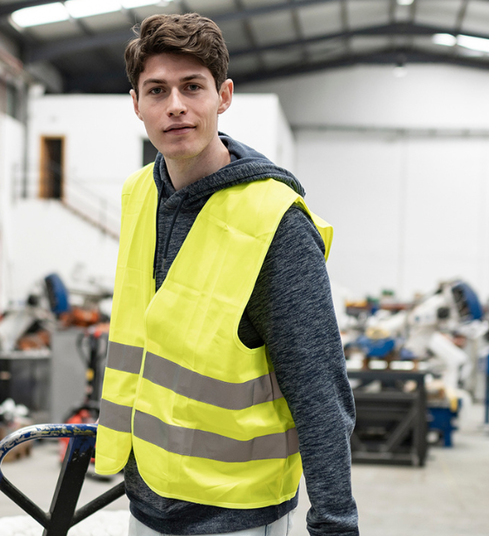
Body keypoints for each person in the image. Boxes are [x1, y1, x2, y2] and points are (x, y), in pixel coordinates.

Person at [95, 12, 359, 536]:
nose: (175, 106)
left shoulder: (274, 221)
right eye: (157, 90)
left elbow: (319, 390)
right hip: (146, 501)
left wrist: (334, 523)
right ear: (136, 104)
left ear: (224, 96)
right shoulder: (138, 195)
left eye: (192, 87)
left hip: (238, 514)